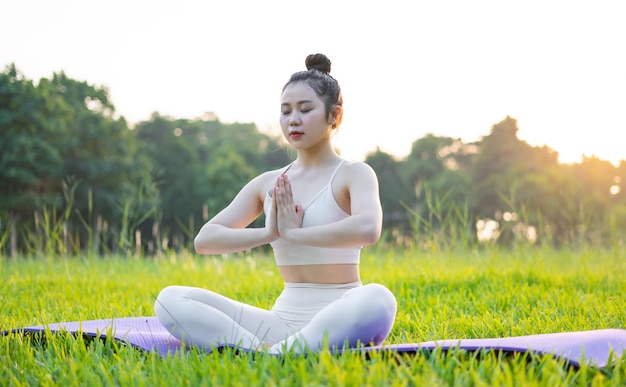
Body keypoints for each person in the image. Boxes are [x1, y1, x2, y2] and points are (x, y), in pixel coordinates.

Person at [154, 53, 397, 354]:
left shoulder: (353, 173)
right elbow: (205, 240)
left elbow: (368, 228)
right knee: (170, 299)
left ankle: (276, 353)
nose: (293, 119)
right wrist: (270, 233)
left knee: (379, 299)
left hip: (341, 314)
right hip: (280, 321)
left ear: (335, 115)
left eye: (305, 109)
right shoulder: (269, 183)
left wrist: (295, 234)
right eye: (285, 111)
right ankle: (265, 352)